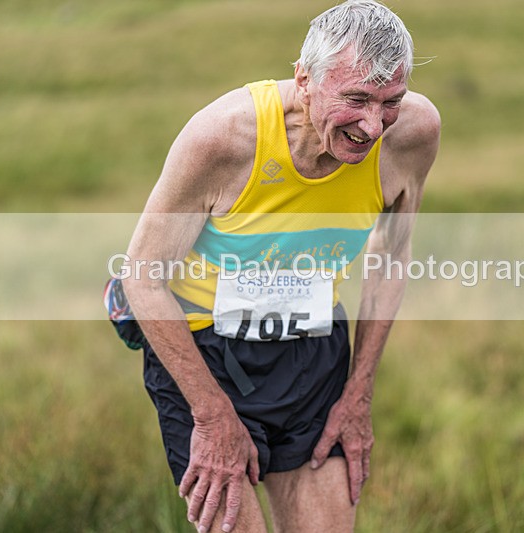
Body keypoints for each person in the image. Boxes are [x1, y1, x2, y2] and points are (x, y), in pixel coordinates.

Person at [120, 1, 440, 531]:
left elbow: (391, 254)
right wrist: (211, 414)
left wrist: (359, 392)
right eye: (356, 99)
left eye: (390, 102)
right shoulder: (222, 137)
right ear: (304, 78)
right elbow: (142, 275)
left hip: (314, 352)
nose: (372, 125)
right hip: (206, 352)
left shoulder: (413, 133)